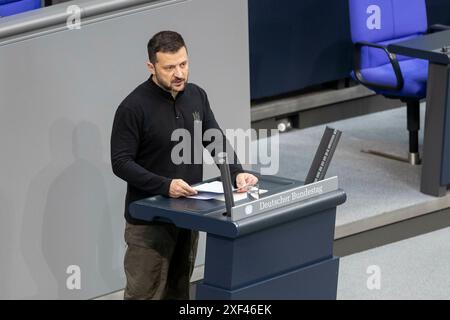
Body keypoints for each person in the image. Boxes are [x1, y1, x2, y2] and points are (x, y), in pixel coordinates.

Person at [111, 30, 258, 300]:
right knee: (144, 295)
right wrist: (165, 186)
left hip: (188, 215)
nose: (179, 73)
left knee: (179, 293)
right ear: (151, 67)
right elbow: (121, 163)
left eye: (183, 64)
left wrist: (237, 172)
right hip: (148, 223)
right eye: (169, 67)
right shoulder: (133, 108)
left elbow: (215, 140)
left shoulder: (196, 96)